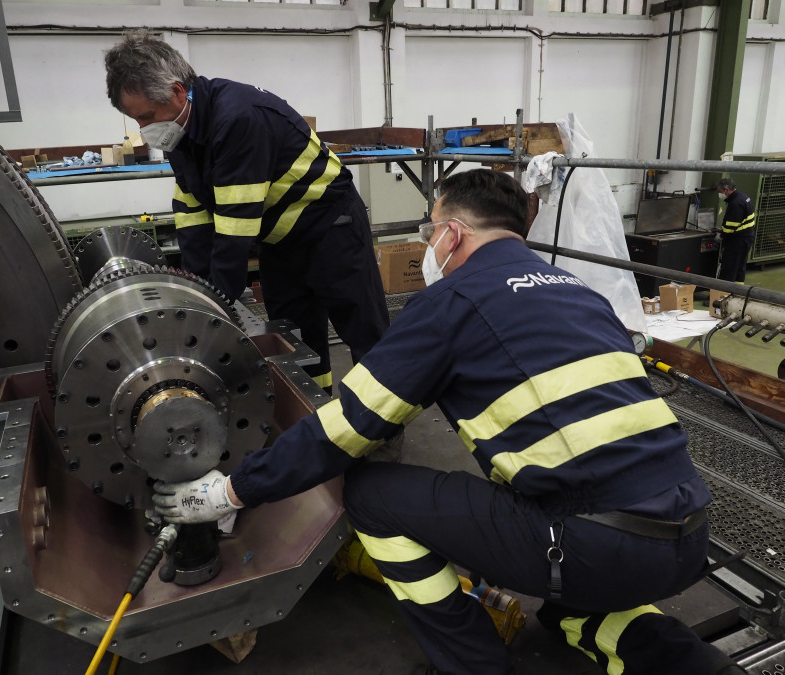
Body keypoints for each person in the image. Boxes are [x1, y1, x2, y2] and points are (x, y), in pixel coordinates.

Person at [152, 169, 743, 675]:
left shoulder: (452, 302)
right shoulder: (578, 292)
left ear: (452, 233)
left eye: (429, 230)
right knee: (577, 610)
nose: (429, 244)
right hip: (689, 535)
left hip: (594, 544)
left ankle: (474, 663)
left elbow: (347, 427)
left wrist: (230, 490)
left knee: (373, 494)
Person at [104, 30, 389, 392]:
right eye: (138, 121)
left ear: (177, 92)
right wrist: (197, 291)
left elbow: (235, 230)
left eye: (147, 116)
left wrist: (215, 308)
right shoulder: (180, 131)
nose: (145, 131)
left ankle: (381, 429)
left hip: (331, 227)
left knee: (363, 329)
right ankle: (314, 418)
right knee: (294, 336)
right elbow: (192, 212)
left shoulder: (237, 119)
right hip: (279, 240)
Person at [715, 178, 756, 283]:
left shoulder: (736, 203)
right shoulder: (743, 197)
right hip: (747, 237)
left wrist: (722, 235)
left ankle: (722, 295)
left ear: (727, 189)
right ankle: (737, 292)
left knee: (729, 267)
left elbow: (730, 228)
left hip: (738, 241)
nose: (720, 194)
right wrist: (722, 230)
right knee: (739, 267)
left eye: (720, 192)